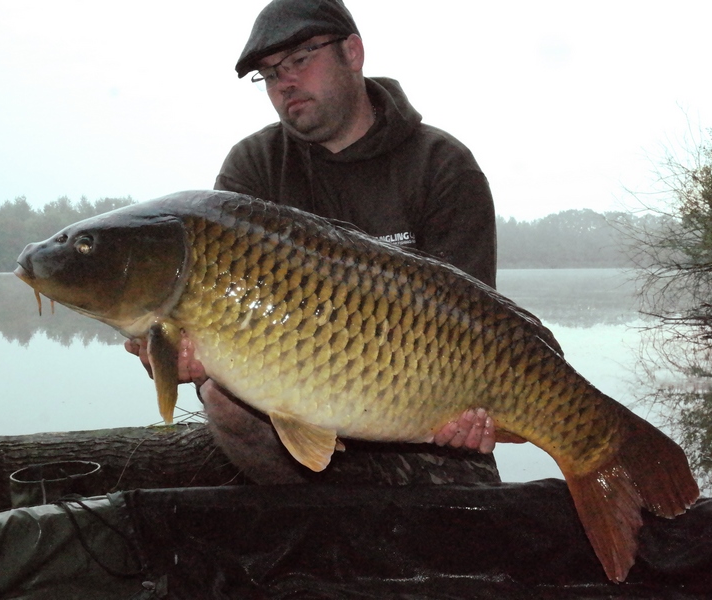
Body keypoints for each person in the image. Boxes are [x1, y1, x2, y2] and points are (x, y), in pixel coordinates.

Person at [127, 0, 504, 485]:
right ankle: (312, 525)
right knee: (223, 397)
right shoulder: (255, 166)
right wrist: (190, 358)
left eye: (301, 59)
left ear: (353, 53)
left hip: (420, 416)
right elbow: (221, 314)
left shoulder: (442, 165)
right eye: (268, 73)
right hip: (295, 423)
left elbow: (478, 324)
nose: (284, 82)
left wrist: (470, 416)